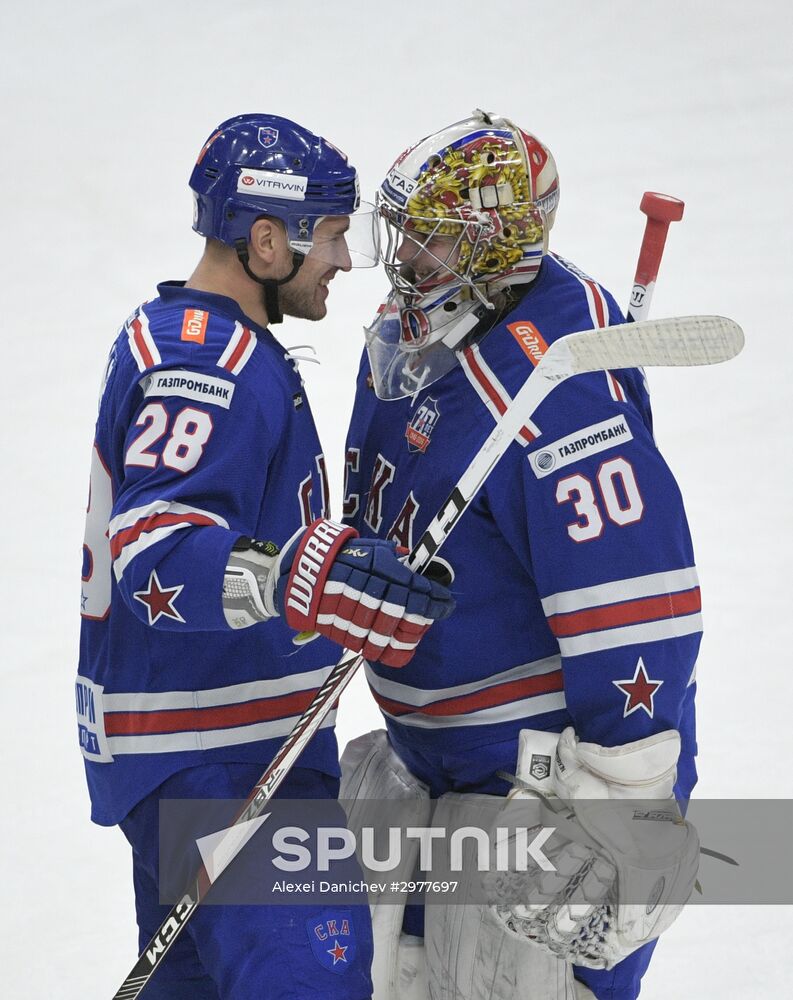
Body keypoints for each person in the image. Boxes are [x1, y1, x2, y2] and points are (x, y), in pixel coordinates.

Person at [76, 113, 454, 1000]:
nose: (346, 260)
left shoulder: (202, 341)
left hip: (206, 755)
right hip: (227, 764)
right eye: (329, 234)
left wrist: (319, 570)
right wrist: (297, 576)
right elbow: (155, 550)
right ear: (265, 238)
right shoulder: (201, 364)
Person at [340, 111, 702, 1000]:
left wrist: (622, 806)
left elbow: (636, 609)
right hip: (431, 774)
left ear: (496, 246)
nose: (404, 258)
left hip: (534, 799)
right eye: (406, 232)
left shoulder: (562, 401)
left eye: (432, 239)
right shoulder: (416, 333)